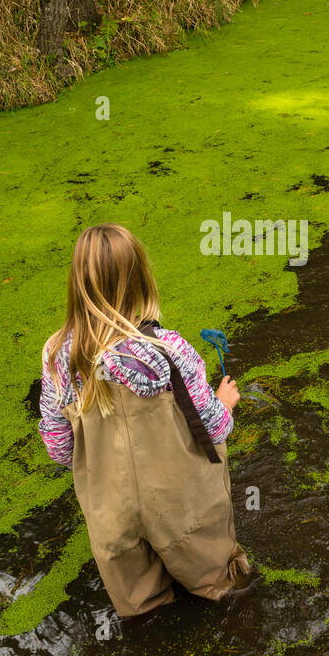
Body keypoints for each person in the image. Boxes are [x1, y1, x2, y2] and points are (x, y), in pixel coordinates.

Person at [38, 223, 251, 618]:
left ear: (76, 283)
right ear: (140, 279)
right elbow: (214, 428)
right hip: (180, 501)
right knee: (219, 583)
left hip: (109, 510)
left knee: (141, 610)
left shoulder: (56, 356)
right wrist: (225, 401)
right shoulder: (168, 349)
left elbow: (58, 447)